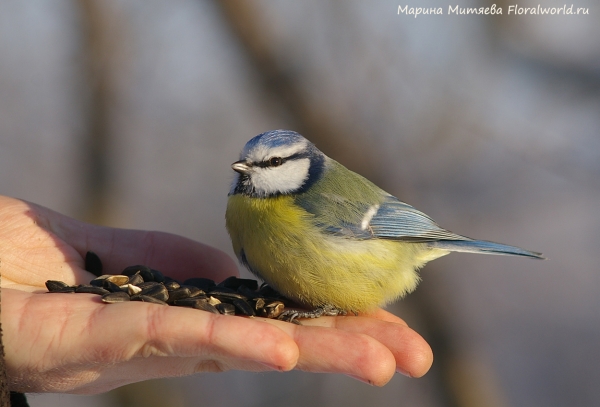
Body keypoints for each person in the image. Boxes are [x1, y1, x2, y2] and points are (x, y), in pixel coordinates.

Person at [0, 195, 432, 403]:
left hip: (395, 246)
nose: (247, 175)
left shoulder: (315, 200)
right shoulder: (249, 209)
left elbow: (389, 222)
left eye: (271, 165)